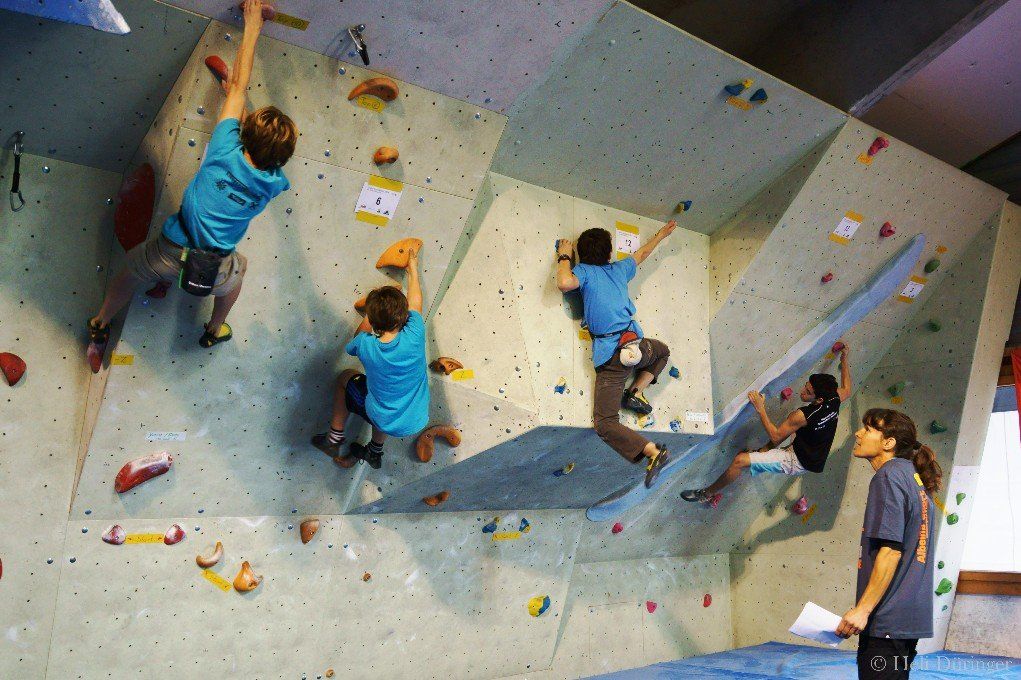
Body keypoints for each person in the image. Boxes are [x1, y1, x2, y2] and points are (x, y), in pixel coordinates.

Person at [86, 0, 296, 360]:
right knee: (237, 277)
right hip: (217, 268)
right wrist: (241, 109)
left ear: (242, 133)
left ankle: (100, 322)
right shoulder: (275, 184)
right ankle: (215, 328)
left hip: (170, 250)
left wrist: (253, 25)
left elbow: (239, 87)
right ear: (281, 159)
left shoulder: (224, 147)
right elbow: (257, 144)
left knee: (131, 271)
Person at [556, 221, 676, 488]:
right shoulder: (620, 269)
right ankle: (635, 392)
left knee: (605, 423)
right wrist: (661, 235)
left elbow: (564, 282)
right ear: (609, 253)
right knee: (663, 352)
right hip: (639, 345)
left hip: (612, 357)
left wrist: (564, 256)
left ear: (581, 254)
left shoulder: (584, 271)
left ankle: (653, 451)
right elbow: (642, 253)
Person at [837, 408, 942, 679]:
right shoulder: (912, 477)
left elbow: (891, 551)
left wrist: (862, 610)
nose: (858, 434)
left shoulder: (888, 476)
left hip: (888, 619)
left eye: (868, 429)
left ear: (889, 442)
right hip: (907, 617)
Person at [681, 343, 852, 502]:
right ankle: (762, 451)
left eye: (807, 392)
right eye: (805, 386)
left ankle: (706, 494)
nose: (802, 392)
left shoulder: (802, 416)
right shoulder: (833, 399)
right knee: (789, 425)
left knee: (740, 460)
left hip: (797, 460)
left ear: (820, 399)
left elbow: (775, 436)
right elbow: (847, 389)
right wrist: (844, 358)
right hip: (813, 452)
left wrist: (760, 408)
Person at [312, 248, 429, 469]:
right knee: (386, 398)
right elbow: (416, 300)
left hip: (385, 416)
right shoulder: (415, 333)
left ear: (373, 322)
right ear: (405, 315)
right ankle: (374, 452)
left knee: (346, 377)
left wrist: (369, 314)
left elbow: (357, 338)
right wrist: (412, 267)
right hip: (416, 417)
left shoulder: (366, 345)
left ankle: (333, 439)